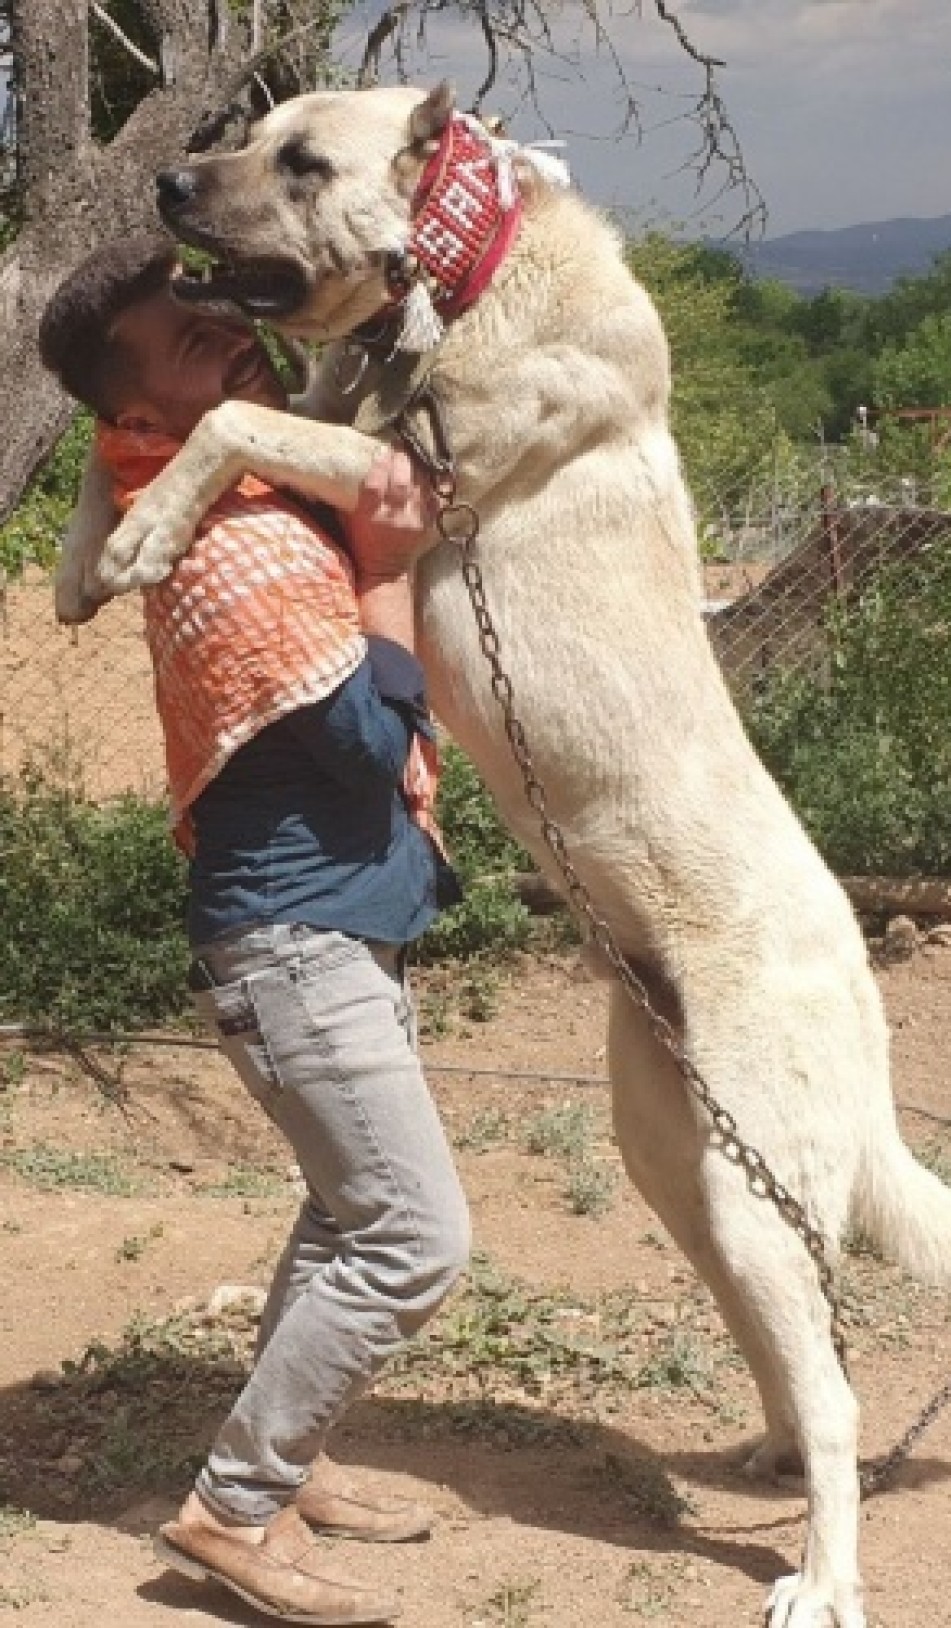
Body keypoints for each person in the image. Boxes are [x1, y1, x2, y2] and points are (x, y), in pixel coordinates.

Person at [39, 236, 469, 1627]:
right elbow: (360, 740)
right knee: (410, 1236)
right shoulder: (236, 537)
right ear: (136, 411)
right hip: (295, 940)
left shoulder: (232, 487)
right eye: (189, 338)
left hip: (318, 926)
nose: (229, 336)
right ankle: (231, 1509)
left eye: (221, 315)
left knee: (342, 1210)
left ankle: (294, 1462)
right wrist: (391, 570)